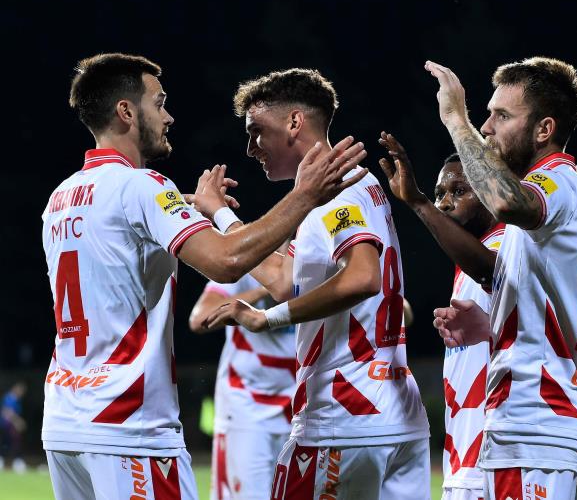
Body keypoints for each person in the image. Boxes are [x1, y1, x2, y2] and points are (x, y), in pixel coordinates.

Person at [41, 53, 367, 500]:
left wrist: (191, 208)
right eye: (159, 103)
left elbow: (122, 231)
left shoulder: (61, 198)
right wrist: (306, 195)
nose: (168, 117)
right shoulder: (144, 186)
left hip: (65, 421)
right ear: (126, 111)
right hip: (127, 425)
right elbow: (226, 261)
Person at [200, 68, 431, 500]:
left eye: (256, 131)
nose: (251, 148)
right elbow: (284, 280)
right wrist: (220, 215)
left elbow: (363, 277)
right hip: (395, 417)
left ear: (294, 122)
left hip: (344, 415)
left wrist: (267, 319)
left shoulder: (338, 190)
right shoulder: (338, 189)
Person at [427, 57, 577, 500]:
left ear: (544, 129)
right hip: (537, 425)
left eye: (502, 116)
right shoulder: (566, 196)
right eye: (486, 114)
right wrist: (491, 325)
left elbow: (508, 203)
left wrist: (456, 120)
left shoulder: (557, 181)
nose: (486, 127)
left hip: (540, 420)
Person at [378, 134, 503, 500]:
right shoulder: (467, 264)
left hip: (489, 456)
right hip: (466, 454)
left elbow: (491, 269)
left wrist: (418, 202)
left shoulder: (502, 244)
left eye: (459, 191)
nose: (445, 202)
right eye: (439, 194)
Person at [189, 262, 296, 500]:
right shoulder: (246, 269)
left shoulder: (311, 264)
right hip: (247, 406)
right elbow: (199, 318)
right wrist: (266, 290)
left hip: (299, 406)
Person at [0, 381, 28, 473]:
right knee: (6, 443)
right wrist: (17, 422)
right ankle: (5, 461)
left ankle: (17, 461)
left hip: (11, 425)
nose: (21, 393)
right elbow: (7, 412)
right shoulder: (9, 398)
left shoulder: (17, 400)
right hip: (6, 425)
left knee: (15, 443)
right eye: (21, 391)